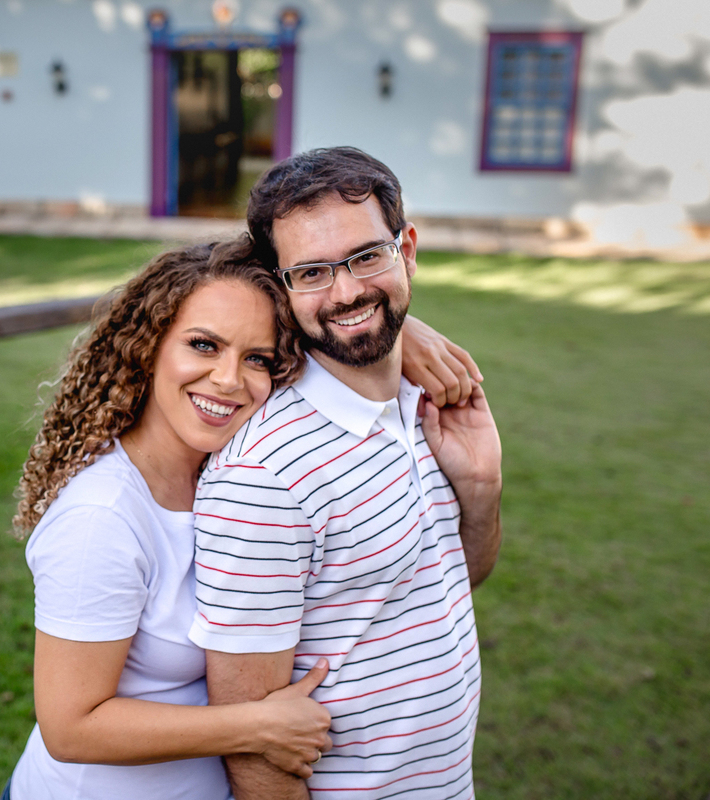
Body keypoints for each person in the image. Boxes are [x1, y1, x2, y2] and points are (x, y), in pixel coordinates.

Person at [6, 233, 482, 799]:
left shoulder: (228, 469)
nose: (229, 380)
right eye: (203, 345)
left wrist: (406, 328)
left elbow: (316, 297)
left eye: (258, 358)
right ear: (148, 345)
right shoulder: (101, 517)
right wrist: (257, 725)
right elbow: (71, 726)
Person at [189, 146, 503, 800]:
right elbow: (251, 741)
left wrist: (480, 492)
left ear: (406, 250)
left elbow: (444, 584)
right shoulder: (267, 475)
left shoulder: (426, 405)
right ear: (283, 288)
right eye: (312, 272)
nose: (348, 291)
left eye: (365, 257)